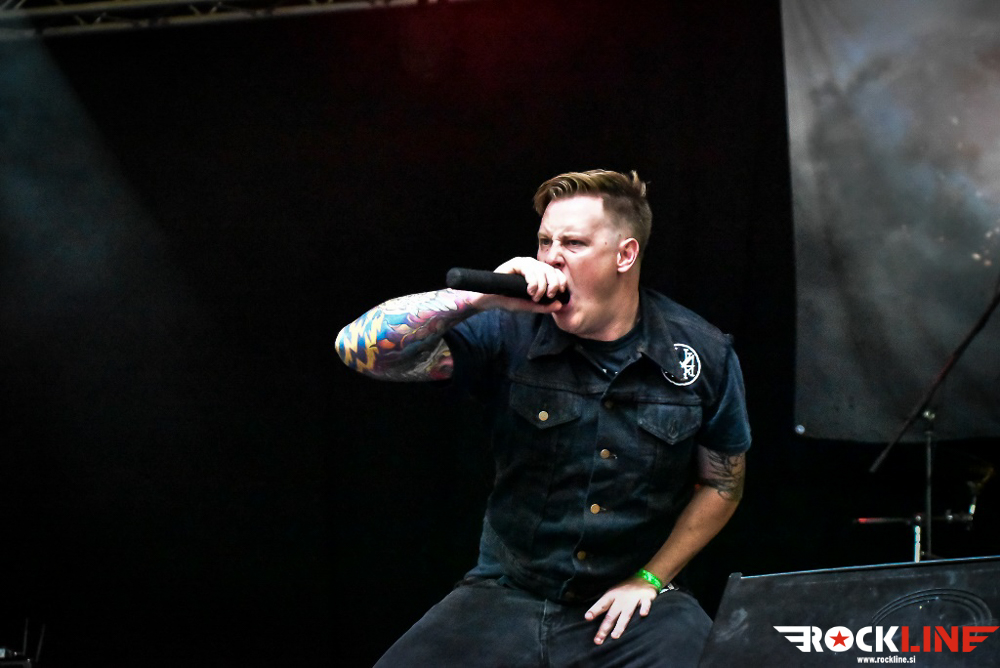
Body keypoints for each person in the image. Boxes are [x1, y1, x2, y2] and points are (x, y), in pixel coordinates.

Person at [336, 169, 751, 667]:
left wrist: (650, 578)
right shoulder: (509, 328)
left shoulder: (703, 353)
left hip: (634, 605)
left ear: (625, 255)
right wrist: (480, 299)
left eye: (573, 243)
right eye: (545, 241)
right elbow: (356, 349)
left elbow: (722, 484)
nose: (551, 258)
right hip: (510, 592)